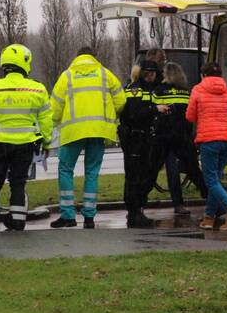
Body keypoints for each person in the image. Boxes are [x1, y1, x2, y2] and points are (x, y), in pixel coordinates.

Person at [0, 44, 53, 231]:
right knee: (18, 183)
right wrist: (47, 142)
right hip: (25, 144)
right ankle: (17, 221)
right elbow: (46, 119)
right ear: (25, 63)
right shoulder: (38, 89)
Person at [48, 46, 126, 229]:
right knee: (92, 172)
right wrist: (110, 116)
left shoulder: (67, 76)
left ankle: (68, 215)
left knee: (65, 170)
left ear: (77, 57)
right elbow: (121, 101)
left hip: (73, 131)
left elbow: (55, 108)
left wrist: (57, 122)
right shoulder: (105, 74)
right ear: (94, 57)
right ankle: (89, 218)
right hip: (98, 131)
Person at [186, 61, 227, 231]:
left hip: (208, 140)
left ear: (203, 75)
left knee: (211, 181)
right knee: (215, 181)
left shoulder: (197, 90)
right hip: (226, 140)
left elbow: (190, 116)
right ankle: (209, 218)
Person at [119, 59, 169, 228]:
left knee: (146, 175)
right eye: (152, 74)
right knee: (135, 176)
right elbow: (134, 114)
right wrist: (156, 109)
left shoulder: (148, 89)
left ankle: (138, 209)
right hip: (134, 138)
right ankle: (134, 212)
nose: (153, 77)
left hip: (145, 138)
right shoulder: (135, 89)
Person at [153, 62, 207, 215]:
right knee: (194, 170)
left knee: (171, 171)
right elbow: (192, 115)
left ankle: (178, 204)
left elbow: (155, 112)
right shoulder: (186, 92)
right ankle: (210, 196)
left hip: (166, 138)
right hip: (184, 136)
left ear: (167, 74)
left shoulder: (160, 91)